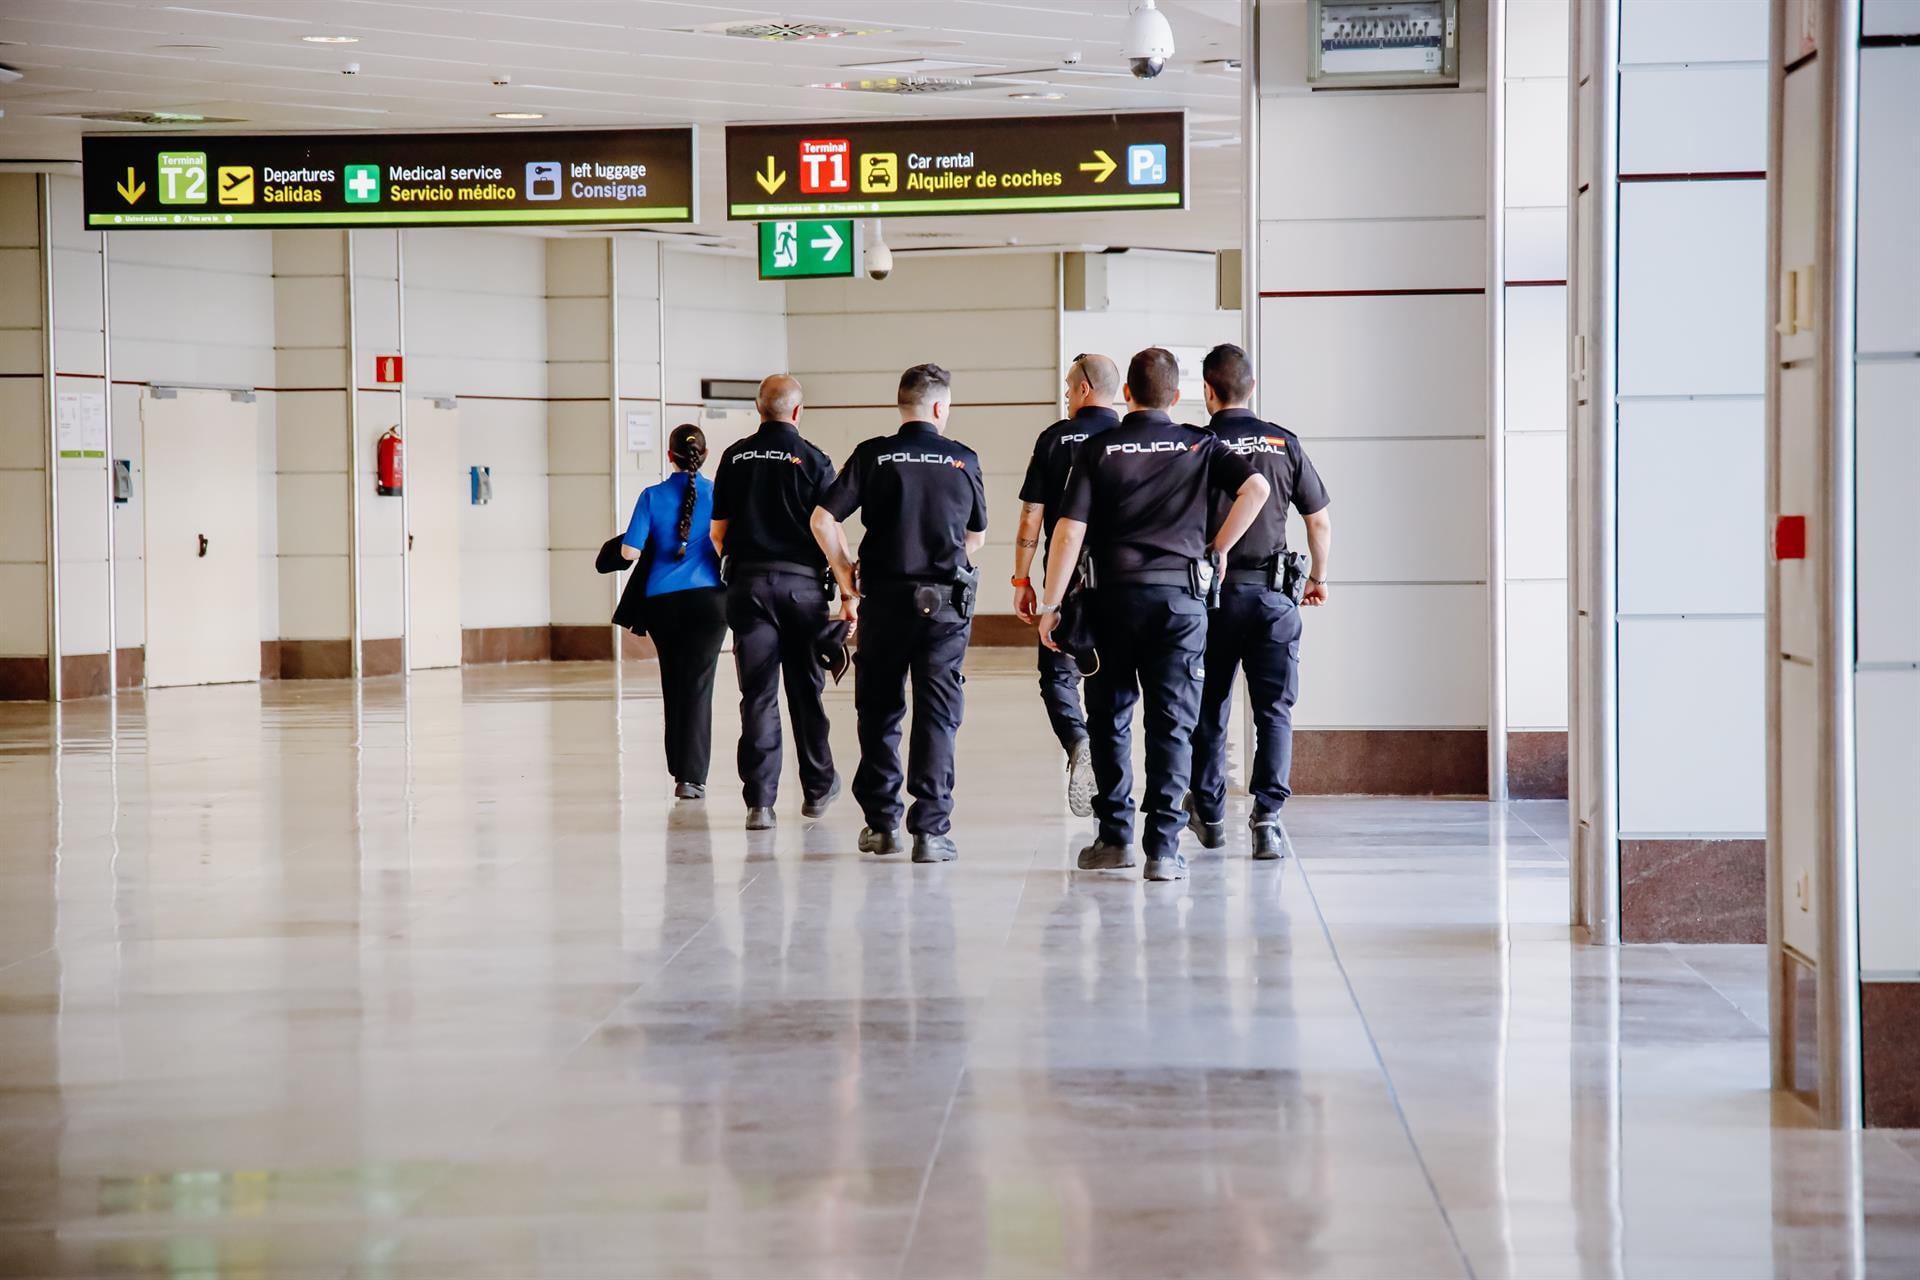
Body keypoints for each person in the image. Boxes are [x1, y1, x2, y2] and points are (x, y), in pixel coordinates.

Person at [1034, 347, 1271, 882]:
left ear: (1128, 395)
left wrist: (1051, 606)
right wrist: (1218, 548)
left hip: (1110, 602)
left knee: (1110, 719)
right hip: (1180, 605)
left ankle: (1114, 837)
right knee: (1172, 724)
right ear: (1178, 393)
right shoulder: (1200, 444)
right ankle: (1163, 849)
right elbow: (1256, 489)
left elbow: (1069, 532)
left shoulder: (1098, 448)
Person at [811, 363, 988, 864]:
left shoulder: (873, 454)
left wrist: (846, 574)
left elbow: (823, 519)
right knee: (937, 713)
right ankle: (930, 832)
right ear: (939, 407)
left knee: (880, 710)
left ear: (903, 404)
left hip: (885, 603)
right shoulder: (962, 459)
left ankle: (882, 825)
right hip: (945, 608)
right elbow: (975, 536)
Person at [1186, 344, 1333, 859]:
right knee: (1274, 711)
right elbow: (1318, 521)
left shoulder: (1199, 444)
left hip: (1210, 598)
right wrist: (1317, 577)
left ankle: (1207, 812)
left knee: (1209, 706)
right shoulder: (1283, 442)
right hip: (1274, 598)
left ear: (1208, 390)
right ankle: (1267, 819)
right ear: (1252, 388)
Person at [709, 374, 840, 831]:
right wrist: (848, 586)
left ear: (759, 408)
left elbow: (718, 532)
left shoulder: (734, 456)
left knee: (758, 695)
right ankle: (818, 788)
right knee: (806, 691)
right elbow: (828, 529)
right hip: (802, 590)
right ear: (798, 412)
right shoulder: (816, 461)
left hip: (747, 588)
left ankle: (760, 803)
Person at [1012, 353, 1122, 819]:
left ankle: (1078, 741)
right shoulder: (1129, 436)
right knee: (1117, 686)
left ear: (1083, 390)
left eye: (1066, 386)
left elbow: (1032, 515)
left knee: (1057, 676)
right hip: (1125, 584)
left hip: (1066, 582)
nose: (1064, 393)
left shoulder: (1055, 438)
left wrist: (1022, 578)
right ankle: (1117, 795)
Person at [620, 424, 728, 801]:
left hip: (662, 603)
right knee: (699, 686)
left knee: (674, 683)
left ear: (669, 456)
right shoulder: (719, 494)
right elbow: (726, 544)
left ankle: (677, 767)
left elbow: (629, 553)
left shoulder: (652, 496)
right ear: (706, 453)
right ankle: (692, 778)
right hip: (709, 601)